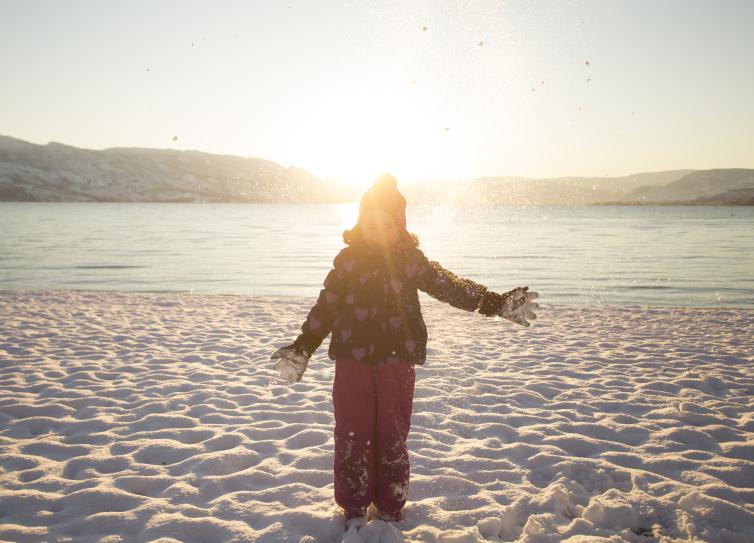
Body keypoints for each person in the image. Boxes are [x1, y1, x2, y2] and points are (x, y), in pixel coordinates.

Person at [270, 173, 539, 530]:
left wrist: (494, 302)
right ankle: (351, 508)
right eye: (371, 223)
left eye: (388, 224)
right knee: (352, 432)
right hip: (352, 360)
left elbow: (449, 286)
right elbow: (327, 307)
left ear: (400, 225)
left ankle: (390, 507)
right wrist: (304, 346)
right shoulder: (348, 261)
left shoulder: (410, 259)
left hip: (397, 360)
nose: (379, 231)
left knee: (392, 435)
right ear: (360, 222)